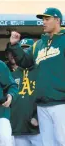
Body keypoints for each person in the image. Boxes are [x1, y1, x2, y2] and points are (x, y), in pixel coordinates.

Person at [7, 7, 65, 146]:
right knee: (48, 143)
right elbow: (25, 62)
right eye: (42, 20)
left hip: (61, 102)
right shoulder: (38, 44)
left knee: (62, 140)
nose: (43, 22)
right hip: (42, 103)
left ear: (57, 20)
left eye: (47, 19)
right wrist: (15, 46)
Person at [6, 39, 42, 146]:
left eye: (27, 50)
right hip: (18, 128)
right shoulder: (11, 75)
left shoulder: (40, 71)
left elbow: (47, 97)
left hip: (38, 129)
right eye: (22, 50)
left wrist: (37, 117)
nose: (24, 53)